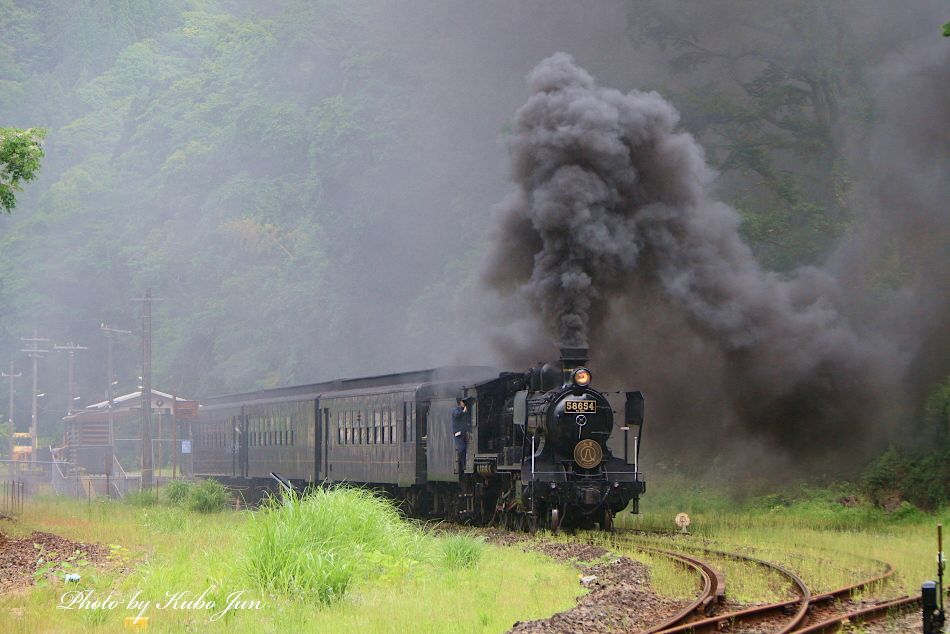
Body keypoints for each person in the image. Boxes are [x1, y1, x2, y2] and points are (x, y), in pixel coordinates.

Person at [451, 398, 471, 476]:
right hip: (458, 434)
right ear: (460, 402)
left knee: (466, 448)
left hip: (465, 432)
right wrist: (463, 412)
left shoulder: (466, 410)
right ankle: (463, 465)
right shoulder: (455, 410)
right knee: (462, 448)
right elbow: (457, 415)